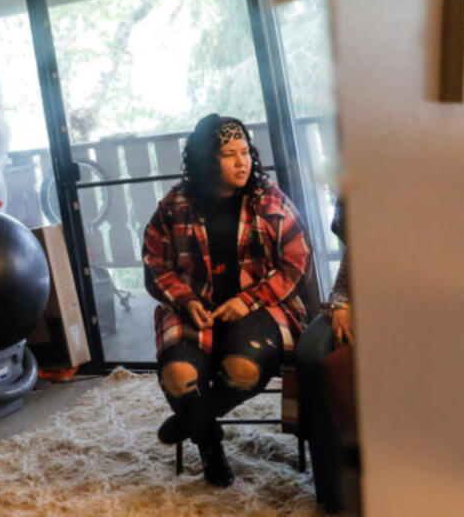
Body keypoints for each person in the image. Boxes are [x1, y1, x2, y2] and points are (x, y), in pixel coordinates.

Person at [142, 114, 352, 486]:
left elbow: (297, 263)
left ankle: (192, 419)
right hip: (194, 306)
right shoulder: (174, 206)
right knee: (177, 377)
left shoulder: (269, 201)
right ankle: (209, 442)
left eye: (245, 152)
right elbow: (155, 263)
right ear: (208, 160)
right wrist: (187, 299)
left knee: (244, 370)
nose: (243, 162)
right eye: (229, 154)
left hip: (262, 307)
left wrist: (250, 299)